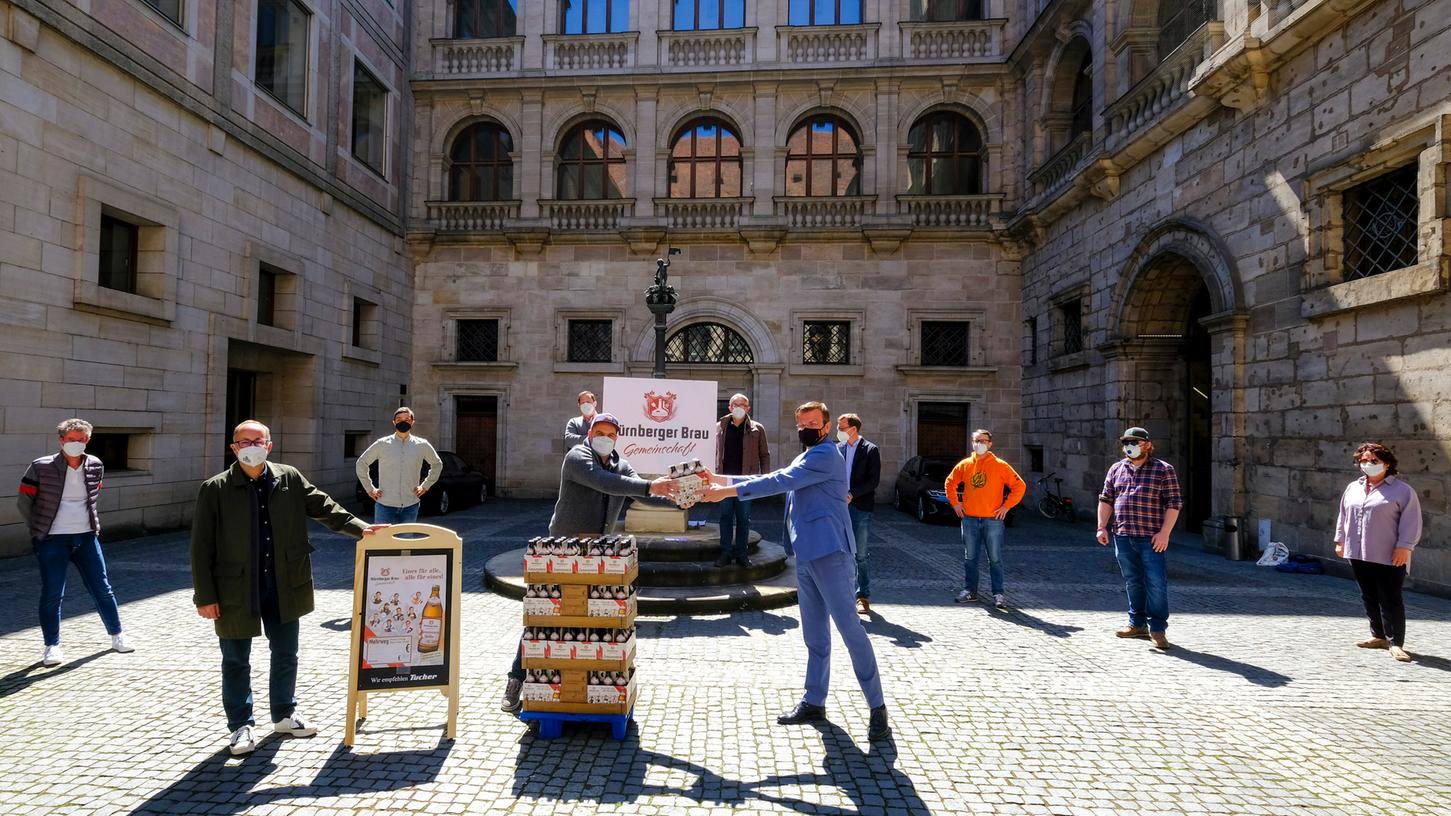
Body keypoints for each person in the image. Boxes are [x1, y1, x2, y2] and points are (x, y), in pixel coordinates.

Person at [191, 420, 387, 756]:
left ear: (269, 445)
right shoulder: (216, 488)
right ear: (234, 448)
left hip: (284, 583)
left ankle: (284, 714)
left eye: (258, 440)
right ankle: (241, 726)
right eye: (244, 441)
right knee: (236, 660)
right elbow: (201, 546)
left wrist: (362, 529)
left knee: (286, 654)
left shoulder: (288, 477)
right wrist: (205, 596)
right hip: (235, 588)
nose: (251, 445)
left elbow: (325, 507)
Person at [701, 401, 890, 742]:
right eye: (802, 423)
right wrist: (718, 478)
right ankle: (814, 700)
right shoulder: (806, 455)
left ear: (827, 426)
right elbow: (771, 477)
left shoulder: (826, 455)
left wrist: (725, 491)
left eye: (813, 423)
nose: (806, 428)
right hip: (806, 553)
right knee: (815, 633)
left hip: (831, 553)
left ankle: (877, 707)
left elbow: (779, 481)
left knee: (850, 630)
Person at [501, 412, 680, 712]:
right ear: (589, 433)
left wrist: (680, 499)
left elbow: (638, 491)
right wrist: (651, 487)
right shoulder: (577, 456)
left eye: (611, 433)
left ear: (617, 438)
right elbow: (606, 483)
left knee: (591, 618)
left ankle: (584, 686)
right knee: (543, 615)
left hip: (598, 553)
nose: (605, 438)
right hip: (561, 549)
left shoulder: (621, 464)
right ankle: (516, 679)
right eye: (600, 431)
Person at [17, 418, 134, 667]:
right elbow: (24, 502)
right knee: (52, 593)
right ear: (61, 440)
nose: (76, 444)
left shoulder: (95, 465)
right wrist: (39, 530)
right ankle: (52, 646)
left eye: (81, 440)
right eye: (71, 440)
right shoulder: (41, 467)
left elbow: (93, 496)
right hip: (52, 540)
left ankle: (117, 635)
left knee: (103, 588)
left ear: (88, 440)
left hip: (86, 537)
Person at [1334, 442, 1421, 662]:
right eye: (1363, 460)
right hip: (1358, 551)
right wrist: (1340, 540)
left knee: (1390, 597)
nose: (1368, 464)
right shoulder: (1353, 487)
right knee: (1369, 595)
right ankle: (1378, 635)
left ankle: (1396, 642)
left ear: (1387, 463)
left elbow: (1412, 521)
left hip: (1389, 552)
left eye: (1374, 461)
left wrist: (1405, 546)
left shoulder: (1402, 491)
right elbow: (1343, 515)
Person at [1096, 426, 1182, 650]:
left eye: (1134, 442)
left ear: (1147, 445)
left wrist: (1165, 533)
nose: (1129, 446)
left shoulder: (1163, 469)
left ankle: (1158, 629)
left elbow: (1174, 503)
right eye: (1126, 443)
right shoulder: (1117, 469)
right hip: (1123, 535)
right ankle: (1137, 624)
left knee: (1155, 583)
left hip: (1151, 538)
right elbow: (1106, 499)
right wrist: (1101, 527)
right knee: (1132, 581)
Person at [945, 429, 1026, 611]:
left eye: (983, 440)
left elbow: (1019, 486)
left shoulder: (1000, 465)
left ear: (990, 444)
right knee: (970, 558)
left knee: (995, 558)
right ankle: (970, 590)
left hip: (993, 520)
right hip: (970, 518)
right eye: (976, 440)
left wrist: (1006, 506)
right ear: (972, 443)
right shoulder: (965, 465)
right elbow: (950, 482)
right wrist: (956, 504)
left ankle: (998, 593)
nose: (979, 443)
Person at [355, 406, 443, 524]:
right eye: (399, 419)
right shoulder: (382, 444)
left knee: (405, 541)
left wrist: (425, 486)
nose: (403, 421)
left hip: (410, 505)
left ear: (412, 422)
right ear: (394, 422)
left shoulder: (422, 445)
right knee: (382, 542)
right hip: (385, 505)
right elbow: (361, 463)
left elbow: (437, 464)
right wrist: (369, 489)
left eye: (407, 419)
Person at [714, 393, 771, 568]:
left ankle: (742, 554)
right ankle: (725, 553)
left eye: (743, 404)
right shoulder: (719, 427)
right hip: (723, 480)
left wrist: (765, 479)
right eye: (735, 404)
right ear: (729, 408)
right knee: (725, 517)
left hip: (746, 481)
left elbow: (764, 455)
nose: (739, 407)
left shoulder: (757, 429)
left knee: (743, 519)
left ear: (748, 408)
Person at [836, 413, 880, 615]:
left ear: (853, 429)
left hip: (860, 507)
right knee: (841, 552)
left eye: (841, 427)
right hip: (838, 507)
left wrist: (852, 494)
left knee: (860, 554)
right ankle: (843, 595)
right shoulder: (838, 449)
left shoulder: (870, 450)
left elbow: (873, 481)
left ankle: (863, 595)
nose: (838, 430)